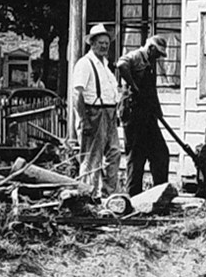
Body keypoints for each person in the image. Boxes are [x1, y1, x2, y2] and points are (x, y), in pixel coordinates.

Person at [116, 35, 171, 197]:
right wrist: (133, 85)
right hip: (133, 112)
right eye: (158, 53)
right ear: (151, 48)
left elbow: (151, 90)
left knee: (160, 152)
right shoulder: (136, 56)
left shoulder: (150, 62)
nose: (159, 57)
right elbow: (121, 65)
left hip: (148, 113)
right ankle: (134, 197)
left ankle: (160, 193)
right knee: (136, 155)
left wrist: (158, 112)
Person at [70, 24, 122, 197]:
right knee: (92, 158)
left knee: (114, 153)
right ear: (91, 43)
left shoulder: (105, 65)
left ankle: (108, 194)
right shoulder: (85, 64)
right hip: (93, 113)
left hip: (109, 114)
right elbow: (77, 94)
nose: (104, 46)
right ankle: (87, 197)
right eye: (100, 43)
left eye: (106, 43)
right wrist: (83, 120)